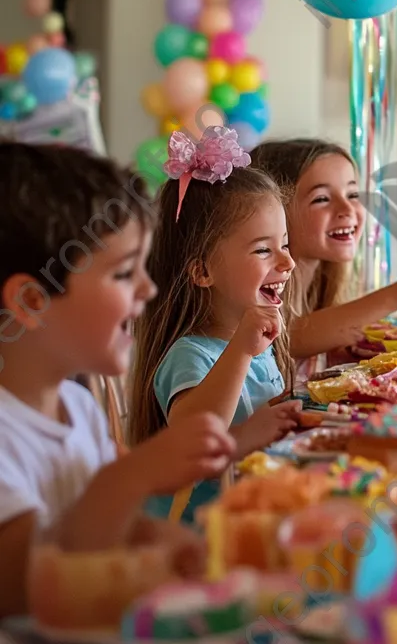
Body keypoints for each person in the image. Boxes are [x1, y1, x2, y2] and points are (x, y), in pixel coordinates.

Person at [0, 142, 235, 617]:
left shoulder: (79, 405)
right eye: (125, 273)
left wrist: (169, 543)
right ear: (30, 302)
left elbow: (109, 530)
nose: (148, 289)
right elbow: (24, 586)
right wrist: (132, 475)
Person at [129, 129, 302, 523]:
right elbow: (196, 437)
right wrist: (241, 351)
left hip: (255, 512)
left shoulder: (257, 340)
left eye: (285, 244)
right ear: (202, 270)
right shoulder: (189, 354)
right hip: (199, 536)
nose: (288, 262)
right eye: (263, 249)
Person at [249, 139, 397, 378]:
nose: (347, 209)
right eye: (321, 199)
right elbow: (290, 338)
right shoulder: (258, 297)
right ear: (275, 212)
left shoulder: (321, 294)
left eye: (352, 194)